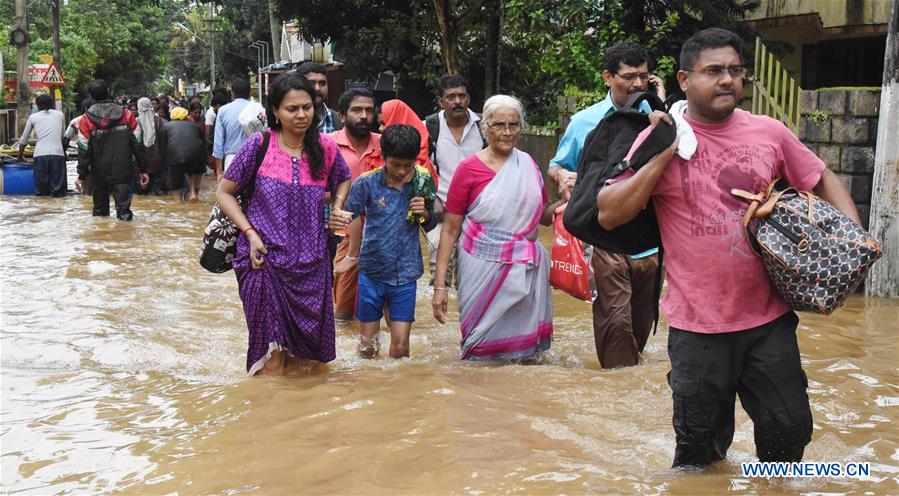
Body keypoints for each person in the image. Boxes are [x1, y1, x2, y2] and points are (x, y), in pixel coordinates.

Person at [597, 28, 862, 467]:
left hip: (768, 318)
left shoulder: (769, 132)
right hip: (697, 326)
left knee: (789, 432)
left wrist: (854, 243)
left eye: (735, 72)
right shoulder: (660, 137)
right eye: (714, 71)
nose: (727, 81)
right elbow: (609, 212)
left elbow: (820, 178)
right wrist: (665, 152)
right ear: (684, 79)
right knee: (699, 453)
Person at [215, 73, 351, 376]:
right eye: (292, 109)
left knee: (307, 363)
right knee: (272, 360)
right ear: (275, 111)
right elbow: (224, 193)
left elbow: (343, 179)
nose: (302, 115)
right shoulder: (258, 145)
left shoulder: (325, 148)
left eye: (307, 107)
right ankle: (266, 419)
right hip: (263, 262)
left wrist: (337, 209)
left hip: (313, 266)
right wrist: (249, 234)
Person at [548, 41, 667, 369]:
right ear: (607, 77)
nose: (638, 84)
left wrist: (664, 103)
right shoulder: (585, 122)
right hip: (605, 241)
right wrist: (564, 178)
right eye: (629, 77)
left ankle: (626, 391)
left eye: (644, 77)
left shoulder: (657, 118)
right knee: (616, 324)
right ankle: (619, 390)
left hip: (650, 244)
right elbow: (556, 165)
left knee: (641, 328)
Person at [431, 95, 560, 361]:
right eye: (499, 125)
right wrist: (440, 287)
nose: (507, 132)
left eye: (513, 125)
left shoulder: (528, 165)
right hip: (479, 268)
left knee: (525, 358)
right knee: (479, 350)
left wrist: (567, 203)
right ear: (485, 128)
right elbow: (451, 229)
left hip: (525, 269)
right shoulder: (468, 170)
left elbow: (542, 217)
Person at [330, 124, 438, 358]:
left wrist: (426, 213)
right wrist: (349, 252)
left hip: (406, 275)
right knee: (368, 348)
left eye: (407, 166)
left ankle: (398, 391)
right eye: (395, 164)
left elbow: (430, 223)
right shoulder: (366, 183)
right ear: (383, 157)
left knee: (400, 348)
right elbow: (350, 216)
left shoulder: (422, 181)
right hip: (371, 272)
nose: (401, 171)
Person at [423, 75, 485, 289]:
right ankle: (440, 318)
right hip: (442, 212)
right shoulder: (429, 127)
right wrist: (431, 200)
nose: (457, 101)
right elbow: (418, 168)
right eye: (451, 97)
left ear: (468, 98)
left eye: (462, 96)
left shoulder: (485, 128)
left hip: (478, 214)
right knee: (439, 271)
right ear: (441, 101)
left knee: (473, 274)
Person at [327, 89, 382, 321]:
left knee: (385, 307)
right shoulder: (327, 145)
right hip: (345, 234)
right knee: (342, 312)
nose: (364, 116)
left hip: (384, 234)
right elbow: (313, 187)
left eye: (369, 110)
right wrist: (347, 198)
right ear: (342, 115)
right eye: (357, 110)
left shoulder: (385, 144)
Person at [76, 79, 148, 220]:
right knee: (124, 213)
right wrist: (143, 169)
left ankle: (103, 239)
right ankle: (125, 238)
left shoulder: (85, 119)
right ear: (108, 92)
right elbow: (138, 143)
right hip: (123, 170)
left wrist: (82, 176)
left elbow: (84, 150)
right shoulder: (127, 115)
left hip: (98, 172)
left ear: (91, 96)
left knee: (100, 214)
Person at [18, 94, 66, 197]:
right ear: (52, 104)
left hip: (40, 155)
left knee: (41, 193)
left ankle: (43, 211)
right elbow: (62, 136)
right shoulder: (60, 115)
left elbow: (24, 139)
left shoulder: (33, 117)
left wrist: (20, 156)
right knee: (58, 192)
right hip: (58, 154)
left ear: (38, 106)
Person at [158, 107, 205, 203]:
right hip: (196, 155)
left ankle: (179, 209)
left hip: (175, 156)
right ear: (186, 117)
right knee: (192, 169)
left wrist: (165, 169)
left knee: (176, 191)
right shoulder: (195, 126)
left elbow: (162, 150)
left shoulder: (165, 127)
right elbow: (203, 145)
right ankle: (192, 192)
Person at [212, 78, 251, 180]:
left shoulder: (223, 111)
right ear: (249, 92)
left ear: (232, 93)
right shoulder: (257, 109)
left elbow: (218, 143)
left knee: (229, 194)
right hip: (253, 158)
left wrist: (219, 172)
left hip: (231, 159)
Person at [295, 62, 342, 134]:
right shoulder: (290, 120)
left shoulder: (338, 121)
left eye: (322, 83)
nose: (317, 88)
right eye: (311, 83)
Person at [135, 97, 168, 196]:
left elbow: (135, 144)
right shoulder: (162, 121)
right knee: (160, 194)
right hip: (160, 162)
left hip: (142, 164)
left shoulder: (135, 122)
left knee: (143, 193)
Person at [187, 101, 209, 195]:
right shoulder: (186, 121)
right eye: (195, 112)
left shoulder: (202, 120)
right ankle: (192, 192)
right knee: (191, 173)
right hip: (190, 151)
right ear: (190, 112)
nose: (197, 114)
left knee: (199, 173)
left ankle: (196, 192)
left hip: (201, 151)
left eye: (199, 112)